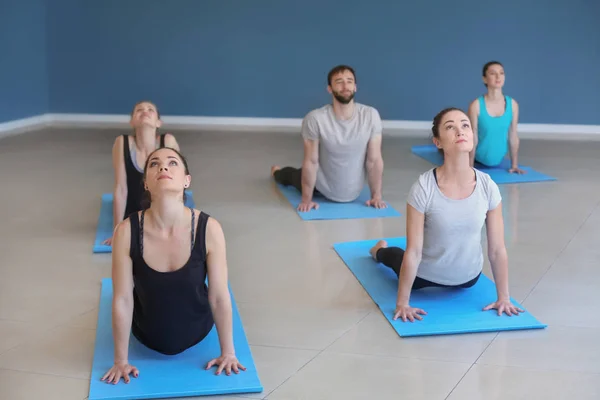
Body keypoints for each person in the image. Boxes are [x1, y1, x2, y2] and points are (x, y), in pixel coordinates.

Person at [101, 147, 245, 384]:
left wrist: (228, 353)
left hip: (199, 330)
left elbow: (219, 295)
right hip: (145, 333)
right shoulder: (126, 231)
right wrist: (120, 361)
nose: (163, 167)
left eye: (172, 163)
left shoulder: (209, 229)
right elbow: (123, 298)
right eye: (154, 164)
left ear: (187, 180)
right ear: (146, 183)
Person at [369, 107, 524, 323]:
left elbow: (497, 249)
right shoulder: (424, 187)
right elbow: (413, 252)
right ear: (438, 142)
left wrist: (504, 298)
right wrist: (402, 303)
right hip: (423, 277)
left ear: (472, 135)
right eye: (450, 127)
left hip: (469, 278)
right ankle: (378, 250)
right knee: (397, 256)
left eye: (465, 125)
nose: (460, 131)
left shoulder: (488, 186)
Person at [271, 65, 386, 212]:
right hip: (320, 186)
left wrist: (376, 196)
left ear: (355, 87)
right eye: (339, 82)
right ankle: (277, 171)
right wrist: (306, 200)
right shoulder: (315, 118)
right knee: (289, 176)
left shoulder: (371, 115)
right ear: (330, 89)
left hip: (353, 191)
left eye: (349, 81)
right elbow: (311, 161)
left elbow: (374, 160)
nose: (345, 86)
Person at [103, 100, 180, 246]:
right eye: (139, 110)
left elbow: (176, 184)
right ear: (132, 121)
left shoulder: (167, 141)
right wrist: (117, 231)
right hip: (133, 211)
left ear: (158, 122)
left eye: (150, 109)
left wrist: (175, 225)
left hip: (160, 210)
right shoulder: (122, 143)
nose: (145, 111)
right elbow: (121, 188)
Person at [467, 61, 526, 174]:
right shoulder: (476, 105)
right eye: (493, 73)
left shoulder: (513, 104)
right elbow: (472, 136)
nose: (498, 76)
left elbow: (513, 135)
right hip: (478, 159)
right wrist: (469, 167)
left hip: (498, 160)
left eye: (501, 73)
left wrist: (514, 165)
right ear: (484, 79)